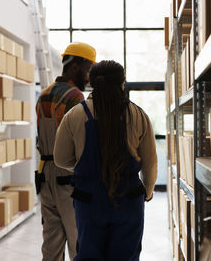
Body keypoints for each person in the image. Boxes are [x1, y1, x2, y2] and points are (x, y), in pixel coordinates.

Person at [54, 60, 158, 260]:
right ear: (122, 83)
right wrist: (149, 190)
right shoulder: (138, 114)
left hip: (89, 200)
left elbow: (60, 159)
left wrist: (86, 170)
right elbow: (150, 162)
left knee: (89, 255)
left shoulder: (75, 115)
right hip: (128, 200)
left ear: (92, 82)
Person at [36, 42, 96, 261]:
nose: (89, 76)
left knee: (51, 243)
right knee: (78, 239)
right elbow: (79, 143)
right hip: (68, 179)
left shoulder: (43, 95)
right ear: (76, 67)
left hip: (44, 178)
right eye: (88, 69)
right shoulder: (75, 97)